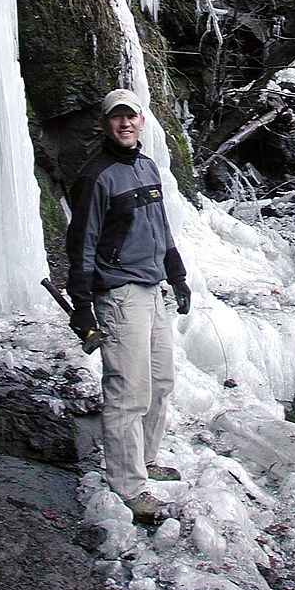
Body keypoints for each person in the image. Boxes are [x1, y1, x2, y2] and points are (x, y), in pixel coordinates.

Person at [66, 88, 191, 523]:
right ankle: (128, 485)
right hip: (119, 293)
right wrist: (82, 305)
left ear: (142, 121)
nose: (124, 124)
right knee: (128, 390)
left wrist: (177, 274)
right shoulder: (96, 177)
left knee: (160, 382)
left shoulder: (146, 166)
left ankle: (147, 459)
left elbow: (161, 229)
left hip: (154, 287)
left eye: (131, 117)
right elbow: (80, 244)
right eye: (116, 117)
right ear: (105, 123)